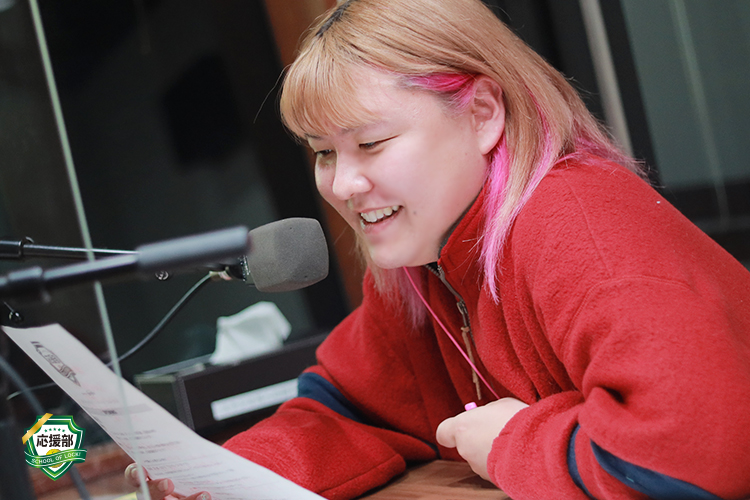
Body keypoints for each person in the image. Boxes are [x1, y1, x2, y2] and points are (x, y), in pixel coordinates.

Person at [126, 0, 750, 499]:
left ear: (482, 114)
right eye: (323, 152)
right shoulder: (424, 261)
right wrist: (220, 478)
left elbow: (697, 453)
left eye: (371, 143)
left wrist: (513, 442)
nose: (342, 185)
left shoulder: (579, 226)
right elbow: (348, 409)